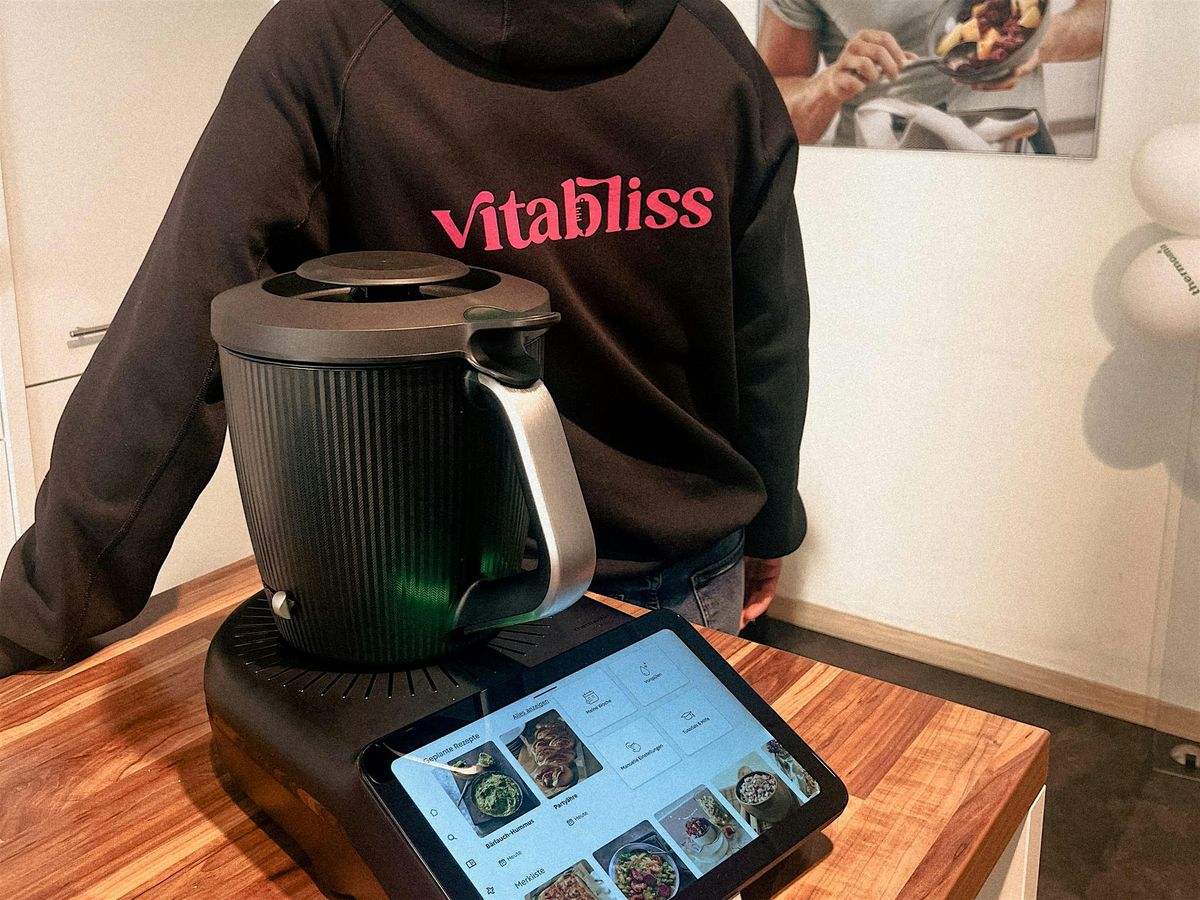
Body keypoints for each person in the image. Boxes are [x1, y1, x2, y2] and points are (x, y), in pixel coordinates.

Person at [0, 0, 810, 676]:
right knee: (681, 818)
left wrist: (42, 607)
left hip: (451, 602)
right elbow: (768, 328)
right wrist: (773, 523)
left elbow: (178, 342)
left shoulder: (330, 36)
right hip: (668, 578)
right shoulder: (713, 45)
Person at [758, 0, 1107, 147]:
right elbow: (764, 117)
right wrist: (827, 87)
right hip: (880, 181)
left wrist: (1033, 41)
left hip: (1011, 167)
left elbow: (1108, 19)